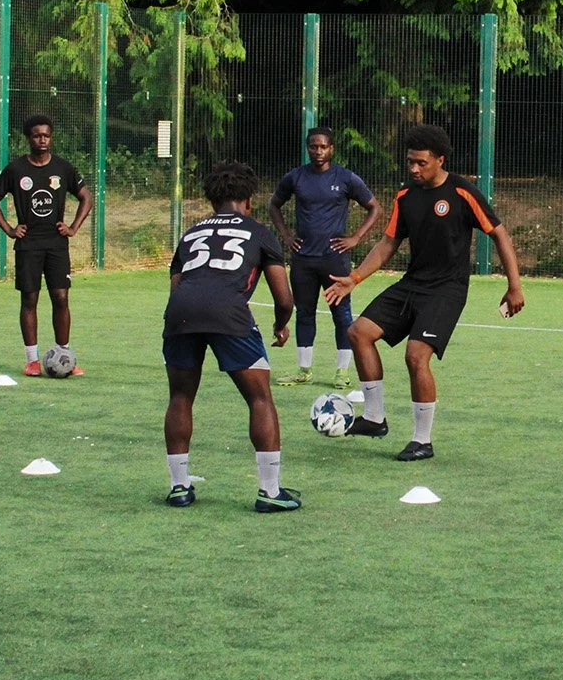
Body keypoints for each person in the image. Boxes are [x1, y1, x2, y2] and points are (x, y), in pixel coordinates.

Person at [323, 124, 525, 461]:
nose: (414, 169)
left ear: (440, 160)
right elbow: (388, 243)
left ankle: (422, 440)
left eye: (421, 163)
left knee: (416, 354)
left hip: (447, 290)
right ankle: (374, 418)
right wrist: (354, 278)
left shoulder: (462, 192)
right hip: (412, 284)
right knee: (358, 332)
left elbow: (499, 235)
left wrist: (514, 285)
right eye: (410, 163)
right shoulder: (406, 195)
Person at [162, 160, 300, 512]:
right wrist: (280, 325)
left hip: (180, 312)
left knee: (180, 396)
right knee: (259, 398)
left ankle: (179, 486)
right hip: (229, 313)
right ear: (250, 200)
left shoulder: (191, 232)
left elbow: (176, 282)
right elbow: (284, 299)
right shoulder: (259, 232)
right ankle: (269, 491)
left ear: (211, 201)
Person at [266, 126, 382, 387]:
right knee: (304, 313)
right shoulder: (295, 178)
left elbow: (374, 207)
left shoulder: (346, 178)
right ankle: (304, 370)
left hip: (335, 260)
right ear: (307, 148)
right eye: (313, 146)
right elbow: (273, 204)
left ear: (331, 149)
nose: (318, 151)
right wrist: (285, 236)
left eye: (323, 147)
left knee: (341, 315)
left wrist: (355, 238)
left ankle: (342, 372)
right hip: (303, 260)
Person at [0, 114, 92, 376]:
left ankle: (64, 355)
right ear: (28, 138)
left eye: (46, 135)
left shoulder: (63, 168)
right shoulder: (16, 170)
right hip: (28, 245)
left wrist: (73, 227)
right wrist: (10, 229)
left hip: (56, 245)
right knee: (30, 299)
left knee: (61, 297)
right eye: (37, 135)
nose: (42, 140)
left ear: (51, 137)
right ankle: (32, 360)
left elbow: (86, 197)